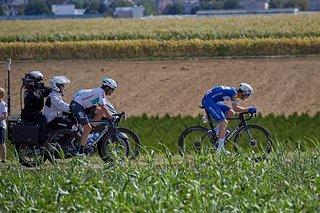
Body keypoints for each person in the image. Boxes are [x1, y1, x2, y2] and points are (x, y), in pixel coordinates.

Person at [202, 83, 257, 154]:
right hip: (208, 101)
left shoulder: (233, 92)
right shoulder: (234, 94)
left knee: (231, 113)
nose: (247, 97)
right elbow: (236, 108)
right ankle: (220, 149)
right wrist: (249, 109)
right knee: (224, 123)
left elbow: (234, 110)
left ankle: (215, 132)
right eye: (248, 95)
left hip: (212, 100)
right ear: (244, 92)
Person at [70, 78, 117, 156]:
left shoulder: (101, 92)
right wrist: (111, 118)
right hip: (77, 105)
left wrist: (113, 114)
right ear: (107, 88)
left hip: (83, 105)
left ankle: (89, 134)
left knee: (100, 112)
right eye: (112, 90)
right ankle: (80, 152)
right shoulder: (100, 92)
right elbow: (103, 107)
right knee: (88, 128)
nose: (112, 92)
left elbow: (105, 108)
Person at [21, 71, 51, 145]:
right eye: (38, 81)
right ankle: (42, 143)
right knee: (43, 120)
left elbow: (48, 91)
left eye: (40, 81)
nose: (39, 82)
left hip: (36, 112)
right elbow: (28, 101)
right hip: (29, 113)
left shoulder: (39, 89)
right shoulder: (28, 91)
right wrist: (33, 90)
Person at [0, 88, 8, 163]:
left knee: (2, 143)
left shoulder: (3, 104)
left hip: (1, 126)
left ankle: (3, 160)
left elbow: (5, 116)